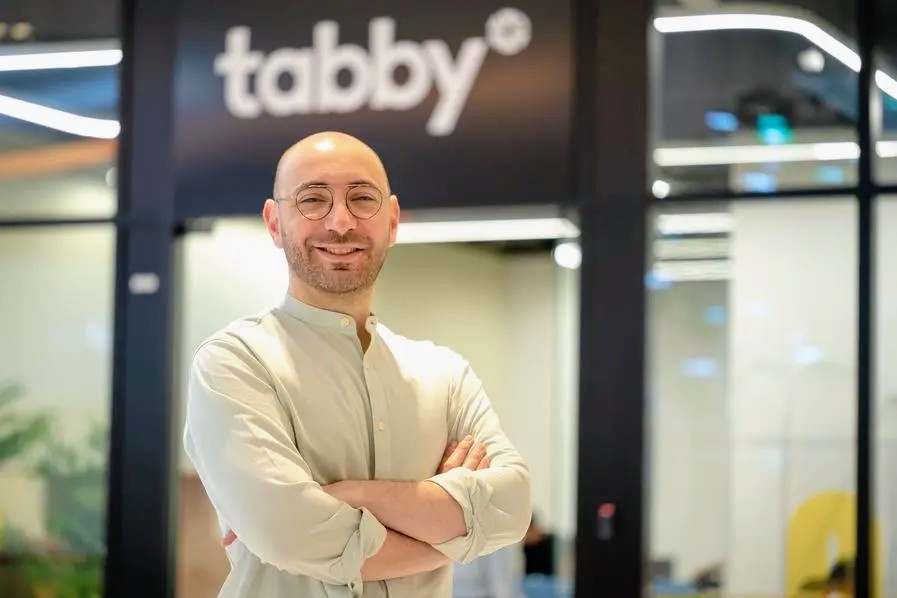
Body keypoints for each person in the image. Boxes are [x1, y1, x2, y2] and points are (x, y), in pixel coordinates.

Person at [183, 131, 532, 598]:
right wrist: (455, 535)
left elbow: (511, 507)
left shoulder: (445, 375)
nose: (341, 221)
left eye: (362, 198)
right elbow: (292, 535)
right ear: (274, 223)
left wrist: (354, 498)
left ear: (392, 221)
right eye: (313, 200)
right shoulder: (235, 364)